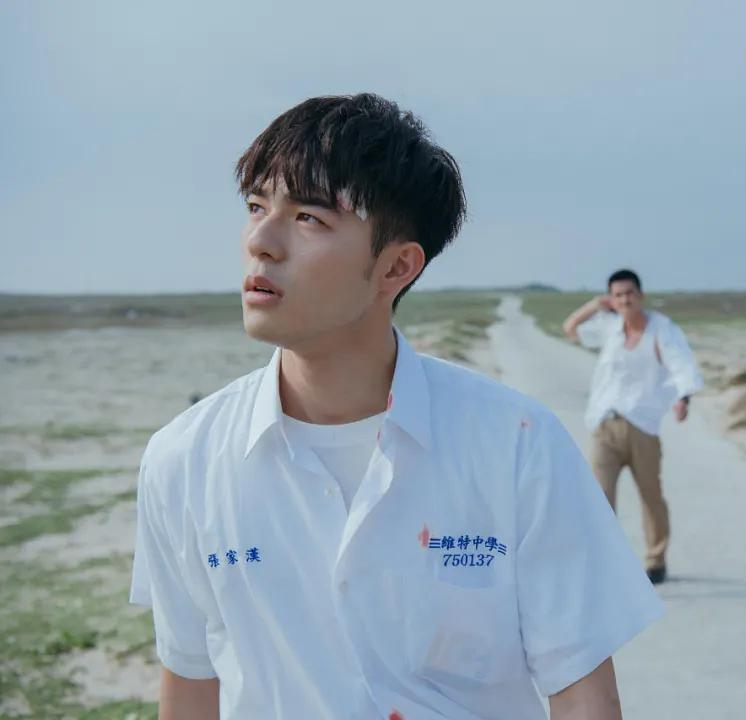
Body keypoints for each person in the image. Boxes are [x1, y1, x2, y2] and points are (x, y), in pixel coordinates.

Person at [130, 94, 662, 720]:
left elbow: (582, 695)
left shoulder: (517, 445)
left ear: (396, 267)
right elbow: (191, 683)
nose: (261, 242)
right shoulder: (184, 458)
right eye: (256, 206)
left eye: (308, 217)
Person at [562, 270, 704, 585]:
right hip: (605, 426)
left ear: (640, 295)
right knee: (598, 499)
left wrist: (683, 399)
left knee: (651, 497)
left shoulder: (661, 330)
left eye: (629, 293)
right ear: (612, 300)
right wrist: (594, 306)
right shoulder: (609, 327)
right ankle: (602, 564)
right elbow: (570, 329)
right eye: (618, 295)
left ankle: (656, 560)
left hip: (642, 428)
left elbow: (682, 365)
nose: (625, 300)